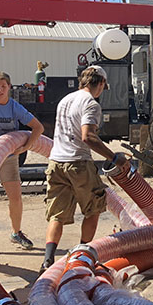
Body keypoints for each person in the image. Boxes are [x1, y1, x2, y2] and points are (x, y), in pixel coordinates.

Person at [41, 66, 130, 273]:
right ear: (100, 83)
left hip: (56, 162)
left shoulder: (66, 100)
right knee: (94, 209)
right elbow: (87, 137)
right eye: (103, 87)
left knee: (57, 215)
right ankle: (81, 256)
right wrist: (115, 157)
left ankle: (47, 261)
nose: (102, 91)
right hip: (78, 163)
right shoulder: (90, 103)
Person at [0, 71, 44, 254]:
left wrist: (26, 146)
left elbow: (38, 127)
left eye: (3, 86)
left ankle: (16, 233)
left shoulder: (14, 107)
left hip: (10, 158)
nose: (0, 90)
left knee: (16, 197)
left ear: (9, 88)